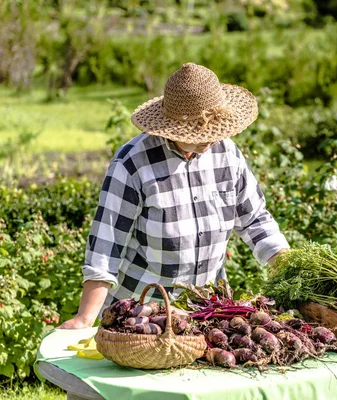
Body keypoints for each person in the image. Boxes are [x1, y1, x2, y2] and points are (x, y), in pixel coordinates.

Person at [59, 63, 289, 329]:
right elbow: (106, 246)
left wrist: (289, 267)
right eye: (199, 133)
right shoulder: (133, 163)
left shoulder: (226, 153)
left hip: (206, 314)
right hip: (140, 320)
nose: (209, 140)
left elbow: (256, 221)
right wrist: (85, 318)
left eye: (214, 131)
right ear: (170, 127)